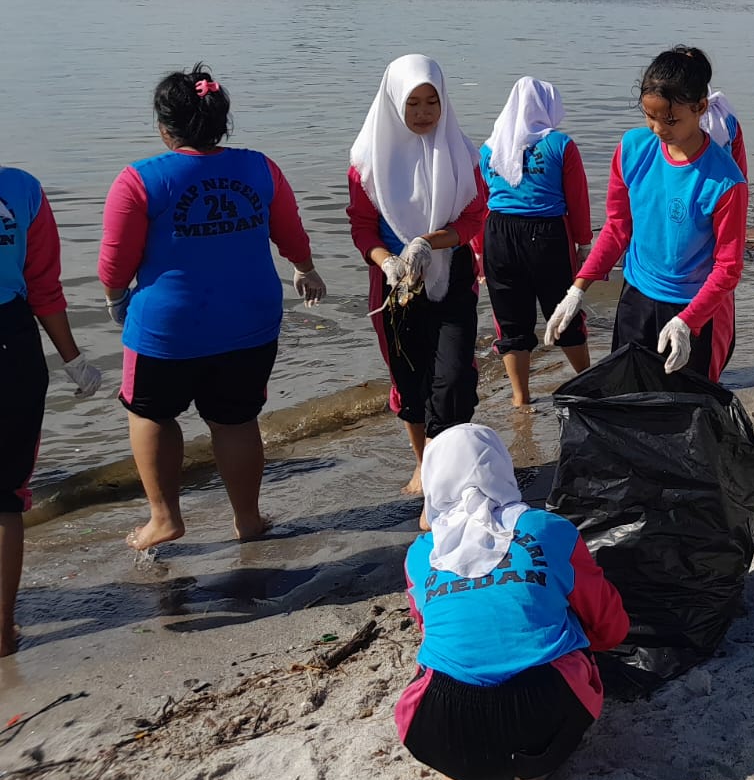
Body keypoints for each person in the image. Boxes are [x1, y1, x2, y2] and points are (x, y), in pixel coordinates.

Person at [99, 65, 324, 551]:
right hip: (250, 320)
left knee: (152, 415)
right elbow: (291, 235)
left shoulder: (139, 180)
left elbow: (115, 263)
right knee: (235, 419)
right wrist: (305, 268)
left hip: (168, 329)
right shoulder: (261, 167)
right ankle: (248, 519)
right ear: (222, 120)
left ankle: (165, 519)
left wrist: (117, 299)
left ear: (164, 126)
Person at [397, 424, 628, 780]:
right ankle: (530, 771)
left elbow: (427, 631)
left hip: (440, 725)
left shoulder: (419, 555)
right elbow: (608, 624)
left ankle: (471, 768)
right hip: (543, 711)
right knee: (566, 620)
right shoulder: (548, 529)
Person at [545, 47, 747, 382]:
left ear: (700, 108)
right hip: (638, 299)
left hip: (696, 307)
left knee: (686, 407)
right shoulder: (632, 150)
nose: (657, 129)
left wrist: (688, 321)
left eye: (669, 120)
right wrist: (578, 289)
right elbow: (617, 228)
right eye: (649, 116)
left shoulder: (724, 181)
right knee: (629, 398)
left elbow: (729, 268)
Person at [349, 55, 488, 495]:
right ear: (394, 104)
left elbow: (474, 219)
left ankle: (442, 471)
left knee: (452, 377)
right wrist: (387, 260)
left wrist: (429, 242)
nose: (424, 113)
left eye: (432, 102)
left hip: (451, 277)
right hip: (395, 286)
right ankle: (425, 464)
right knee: (409, 381)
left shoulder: (462, 155)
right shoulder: (366, 162)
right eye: (413, 104)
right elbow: (362, 227)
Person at [2, 164, 101, 656]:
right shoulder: (22, 189)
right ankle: (1, 631)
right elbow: (42, 286)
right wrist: (73, 359)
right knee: (3, 497)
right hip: (10, 345)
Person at [480, 78, 592, 405]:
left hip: (498, 235)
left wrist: (477, 252)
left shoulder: (489, 147)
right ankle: (586, 384)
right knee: (564, 312)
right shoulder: (561, 145)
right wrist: (584, 243)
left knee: (511, 320)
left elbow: (479, 203)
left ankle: (520, 398)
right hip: (546, 236)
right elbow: (578, 199)